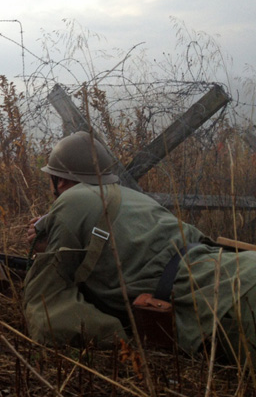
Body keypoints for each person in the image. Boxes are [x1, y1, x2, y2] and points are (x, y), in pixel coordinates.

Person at [23, 131, 256, 361]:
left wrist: (125, 340)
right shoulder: (134, 198)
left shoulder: (70, 200)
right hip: (240, 269)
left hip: (228, 305)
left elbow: (45, 313)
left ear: (60, 180)